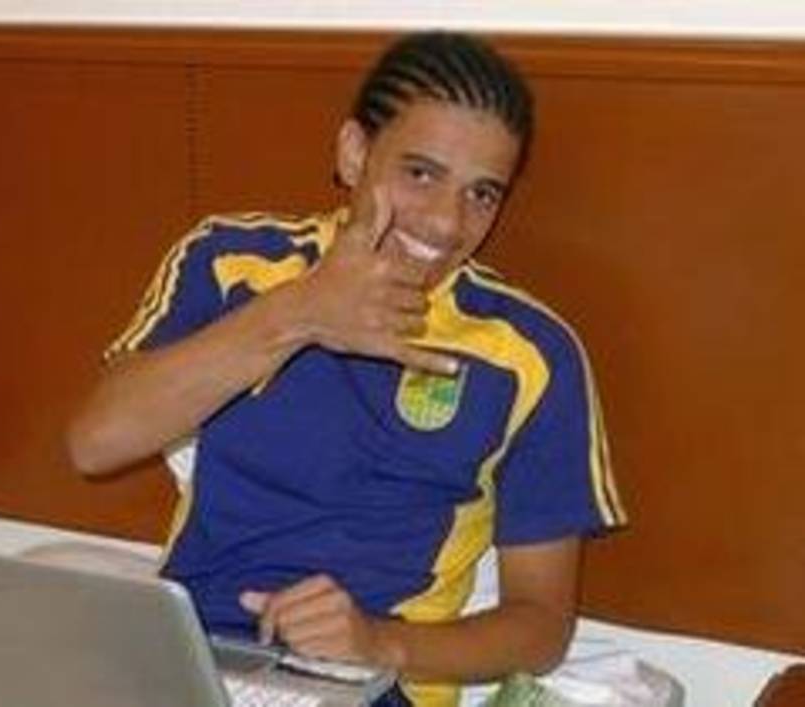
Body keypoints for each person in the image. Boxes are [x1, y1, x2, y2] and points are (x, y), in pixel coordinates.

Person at [67, 31, 625, 707]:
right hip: (189, 656)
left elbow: (539, 628)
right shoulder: (231, 262)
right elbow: (96, 443)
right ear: (354, 153)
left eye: (481, 194)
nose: (446, 223)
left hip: (373, 686)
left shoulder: (529, 353)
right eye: (420, 174)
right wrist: (299, 313)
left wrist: (377, 641)